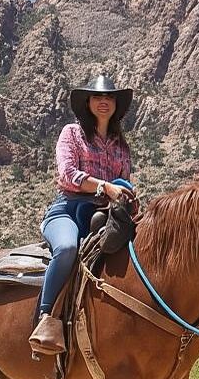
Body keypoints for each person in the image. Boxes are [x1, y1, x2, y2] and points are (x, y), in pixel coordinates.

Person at [29, 75, 136, 356]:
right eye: (98, 97)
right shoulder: (72, 134)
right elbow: (67, 174)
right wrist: (104, 186)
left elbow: (124, 182)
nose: (104, 101)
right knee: (67, 248)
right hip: (68, 209)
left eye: (109, 97)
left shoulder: (121, 146)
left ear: (116, 104)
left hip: (105, 214)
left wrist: (125, 194)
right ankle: (45, 319)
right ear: (88, 102)